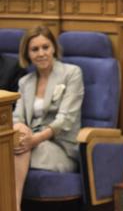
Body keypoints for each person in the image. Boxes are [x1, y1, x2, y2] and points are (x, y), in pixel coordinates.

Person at [12, 25, 84, 211]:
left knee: (14, 148)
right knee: (18, 132)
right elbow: (17, 117)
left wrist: (33, 140)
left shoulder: (71, 73)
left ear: (54, 48)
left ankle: (11, 205)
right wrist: (24, 134)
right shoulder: (24, 82)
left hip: (60, 147)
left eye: (45, 47)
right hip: (29, 142)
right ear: (27, 54)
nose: (41, 53)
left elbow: (65, 119)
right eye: (34, 49)